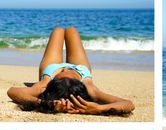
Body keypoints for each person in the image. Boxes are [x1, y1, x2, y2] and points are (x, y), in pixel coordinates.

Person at [7, 27, 135, 115]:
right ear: (79, 84)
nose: (66, 67)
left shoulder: (44, 85)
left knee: (58, 30)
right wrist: (98, 108)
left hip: (52, 68)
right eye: (67, 72)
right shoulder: (90, 88)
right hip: (81, 68)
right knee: (71, 30)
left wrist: (44, 103)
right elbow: (128, 104)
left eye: (63, 72)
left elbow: (12, 91)